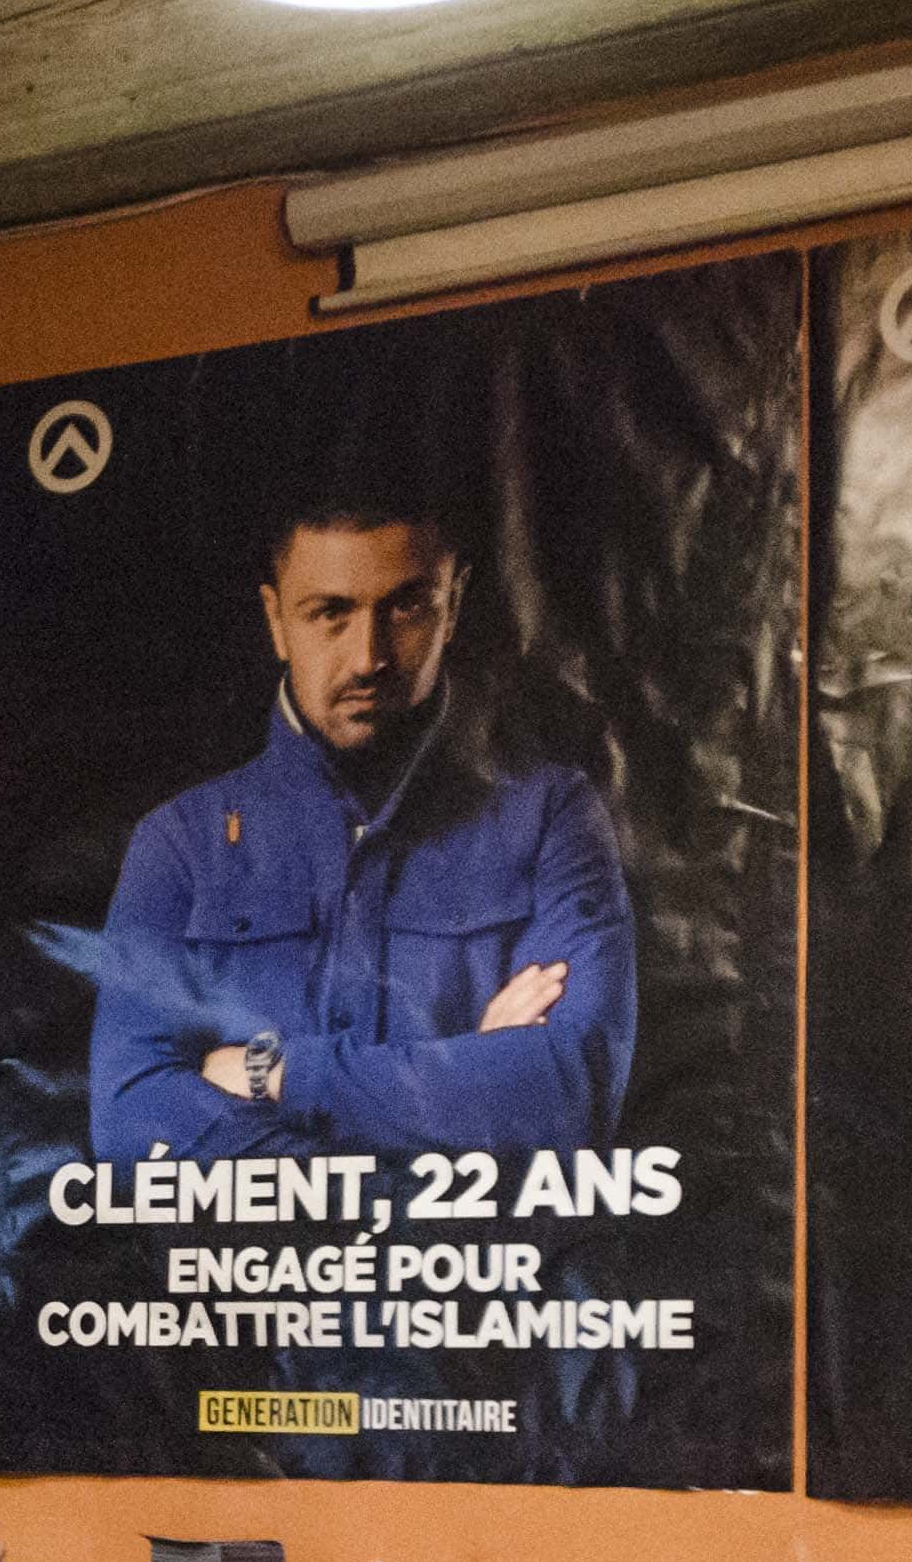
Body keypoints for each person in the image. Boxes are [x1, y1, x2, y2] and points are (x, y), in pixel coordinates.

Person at [87, 472, 638, 1161]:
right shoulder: (180, 844)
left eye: (406, 607)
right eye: (330, 613)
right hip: (264, 1272)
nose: (369, 656)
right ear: (275, 620)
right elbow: (132, 1128)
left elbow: (565, 1098)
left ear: (454, 604)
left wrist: (272, 1074)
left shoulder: (551, 816)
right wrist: (467, 1082)